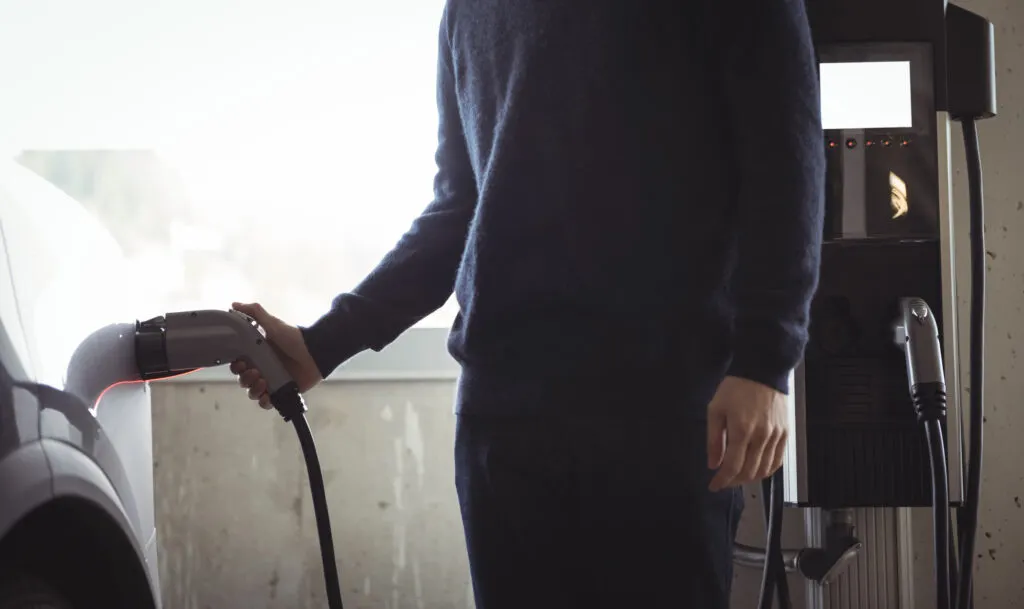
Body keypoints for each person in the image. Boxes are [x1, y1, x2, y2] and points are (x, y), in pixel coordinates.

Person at [230, 0, 825, 607]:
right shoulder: (468, 12)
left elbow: (787, 163)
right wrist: (324, 343)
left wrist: (764, 362)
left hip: (659, 412)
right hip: (503, 420)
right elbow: (459, 208)